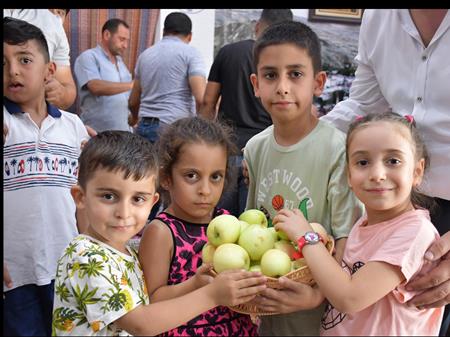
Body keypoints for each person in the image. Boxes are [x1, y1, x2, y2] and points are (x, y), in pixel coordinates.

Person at [52, 130, 267, 336]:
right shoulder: (87, 257)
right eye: (109, 197)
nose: (123, 213)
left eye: (137, 199)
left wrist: (196, 284)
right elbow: (141, 324)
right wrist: (211, 295)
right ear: (80, 197)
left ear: (152, 202)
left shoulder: (121, 252)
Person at [321, 9, 450, 335]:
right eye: (360, 163)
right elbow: (365, 104)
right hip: (396, 205)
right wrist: (290, 142)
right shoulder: (378, 16)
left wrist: (306, 239)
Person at [274, 111, 444, 335]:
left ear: (416, 172)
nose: (377, 174)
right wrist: (315, 297)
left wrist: (306, 236)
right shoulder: (363, 222)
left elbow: (349, 298)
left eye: (393, 161)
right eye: (363, 162)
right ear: (349, 176)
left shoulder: (414, 233)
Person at [244, 21, 364, 335]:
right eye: (271, 75)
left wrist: (317, 295)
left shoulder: (337, 148)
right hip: (267, 304)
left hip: (318, 314)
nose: (282, 86)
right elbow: (255, 223)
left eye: (295, 74)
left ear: (319, 82)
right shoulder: (255, 149)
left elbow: (346, 238)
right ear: (256, 84)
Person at [3, 17, 89, 336]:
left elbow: (85, 199)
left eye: (25, 60)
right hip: (13, 276)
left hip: (65, 268)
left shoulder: (73, 127)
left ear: (49, 70)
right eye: (3, 62)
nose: (12, 70)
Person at [138, 117, 259, 336]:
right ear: (166, 178)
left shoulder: (227, 221)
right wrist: (195, 285)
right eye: (191, 176)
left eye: (215, 177)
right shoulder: (162, 231)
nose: (205, 189)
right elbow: (152, 300)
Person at [199, 9, 293, 217]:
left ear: (258, 26)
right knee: (252, 222)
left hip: (228, 147)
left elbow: (208, 101)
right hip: (267, 152)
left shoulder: (229, 52)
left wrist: (204, 143)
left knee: (219, 219)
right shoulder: (288, 64)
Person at [128, 12, 206, 144]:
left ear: (164, 32)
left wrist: (134, 118)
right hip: (174, 129)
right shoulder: (191, 54)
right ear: (190, 36)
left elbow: (133, 101)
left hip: (144, 127)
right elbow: (200, 97)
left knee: (147, 164)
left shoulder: (145, 55)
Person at [3, 9, 77, 110]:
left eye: (25, 60)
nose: (13, 71)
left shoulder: (51, 21)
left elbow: (67, 87)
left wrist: (60, 94)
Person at [74, 18, 133, 133]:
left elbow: (127, 97)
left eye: (127, 41)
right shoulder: (89, 57)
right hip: (98, 134)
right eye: (122, 39)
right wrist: (132, 85)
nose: (125, 45)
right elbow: (95, 86)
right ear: (107, 35)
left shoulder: (121, 64)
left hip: (124, 133)